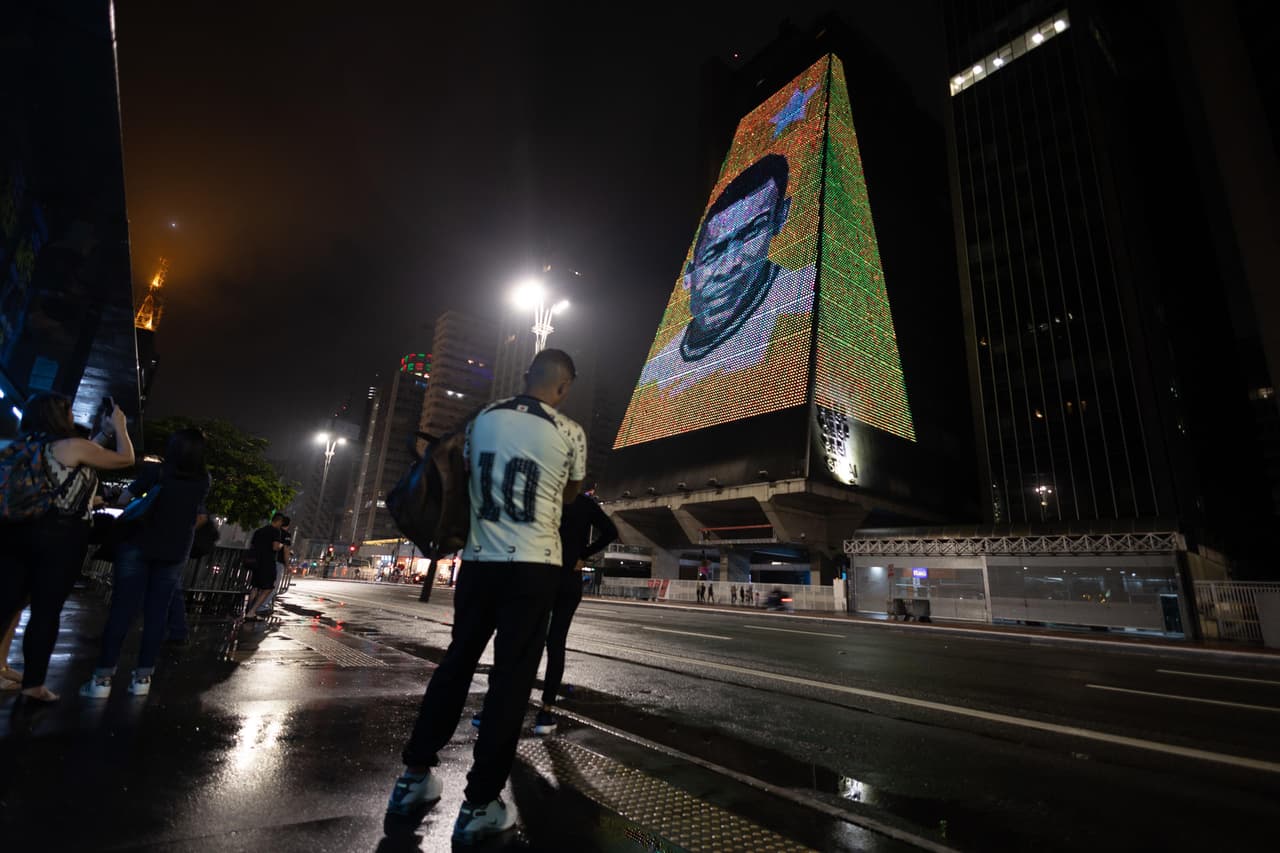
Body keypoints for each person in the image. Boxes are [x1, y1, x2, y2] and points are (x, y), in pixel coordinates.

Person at [386, 348, 586, 843]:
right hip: (535, 567)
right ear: (563, 387)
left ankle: (413, 778)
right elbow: (567, 495)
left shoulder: (479, 422)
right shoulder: (570, 433)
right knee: (510, 683)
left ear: (526, 377)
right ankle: (479, 804)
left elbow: (463, 477)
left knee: (456, 666)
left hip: (478, 564)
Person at [614, 153, 818, 447]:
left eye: (752, 231)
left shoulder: (806, 300)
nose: (732, 263)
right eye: (715, 252)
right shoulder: (655, 372)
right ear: (689, 274)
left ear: (780, 219)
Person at [0, 393, 134, 702]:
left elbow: (84, 454)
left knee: (7, 604)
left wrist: (103, 432)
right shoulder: (72, 446)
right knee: (46, 611)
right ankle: (34, 685)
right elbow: (124, 458)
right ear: (61, 415)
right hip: (59, 536)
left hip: (15, 532)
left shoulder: (20, 447)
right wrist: (120, 427)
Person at [80, 428, 211, 697]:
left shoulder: (156, 473)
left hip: (136, 545)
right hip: (174, 551)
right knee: (157, 615)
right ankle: (143, 679)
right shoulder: (204, 480)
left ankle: (102, 680)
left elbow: (127, 499)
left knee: (122, 610)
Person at [532, 490, 618, 734]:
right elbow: (611, 532)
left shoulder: (545, 496)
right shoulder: (585, 503)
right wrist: (583, 555)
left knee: (528, 640)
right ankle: (546, 711)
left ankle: (506, 704)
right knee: (556, 644)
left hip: (542, 574)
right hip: (570, 578)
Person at [244, 513, 285, 619]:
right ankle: (252, 611)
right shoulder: (276, 531)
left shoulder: (259, 531)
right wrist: (281, 545)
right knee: (268, 588)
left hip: (256, 561)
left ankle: (248, 609)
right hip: (267, 562)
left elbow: (252, 544)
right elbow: (275, 547)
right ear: (279, 521)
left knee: (255, 587)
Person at [256, 516, 291, 615]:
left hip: (264, 559)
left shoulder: (269, 530)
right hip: (277, 562)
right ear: (287, 525)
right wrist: (287, 565)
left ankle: (254, 606)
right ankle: (261, 606)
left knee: (260, 585)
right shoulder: (285, 534)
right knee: (272, 586)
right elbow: (285, 550)